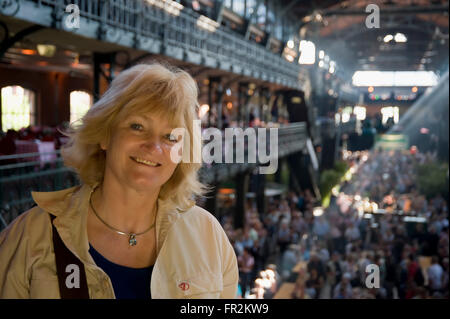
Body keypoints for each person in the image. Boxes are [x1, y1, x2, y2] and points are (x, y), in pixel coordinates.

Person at [0, 63, 239, 299]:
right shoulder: (30, 236)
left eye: (170, 136)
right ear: (105, 135)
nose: (154, 146)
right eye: (137, 126)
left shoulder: (208, 235)